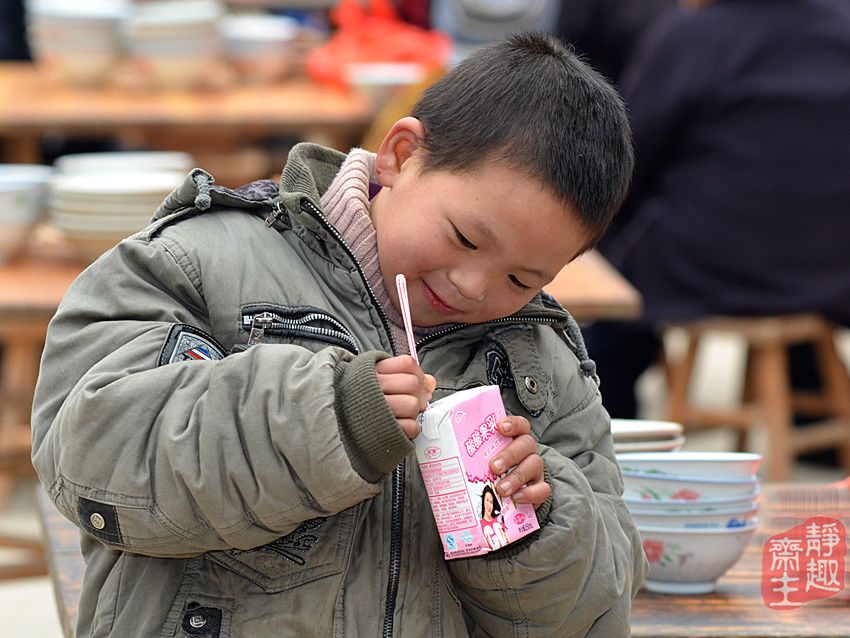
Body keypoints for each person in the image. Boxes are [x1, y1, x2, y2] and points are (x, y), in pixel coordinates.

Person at [31, 33, 645, 636]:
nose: (473, 287)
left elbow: (600, 609)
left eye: (520, 276)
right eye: (464, 238)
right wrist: (327, 419)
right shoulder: (200, 264)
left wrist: (538, 522)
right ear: (401, 156)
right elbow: (86, 454)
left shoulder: (542, 361)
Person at [585, 0, 850, 419]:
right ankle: (811, 419)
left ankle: (606, 422)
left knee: (614, 283)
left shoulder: (699, 34)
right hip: (831, 271)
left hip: (712, 265)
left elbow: (628, 152)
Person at [479, 483, 509, 550]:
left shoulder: (499, 519)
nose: (489, 505)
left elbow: (508, 538)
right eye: (487, 500)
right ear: (483, 501)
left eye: (491, 502)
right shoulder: (480, 525)